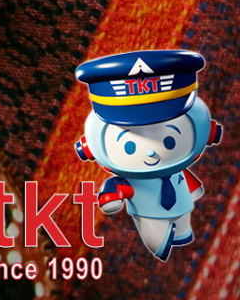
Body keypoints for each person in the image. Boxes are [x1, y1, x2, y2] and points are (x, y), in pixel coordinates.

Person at [74, 49, 222, 260]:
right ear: (89, 146)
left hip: (181, 208)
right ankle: (161, 243)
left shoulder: (184, 158)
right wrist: (111, 197)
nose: (152, 151)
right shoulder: (127, 176)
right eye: (130, 145)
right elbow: (115, 189)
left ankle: (181, 236)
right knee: (156, 236)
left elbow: (185, 182)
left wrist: (194, 190)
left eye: (168, 140)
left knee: (182, 230)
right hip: (147, 213)